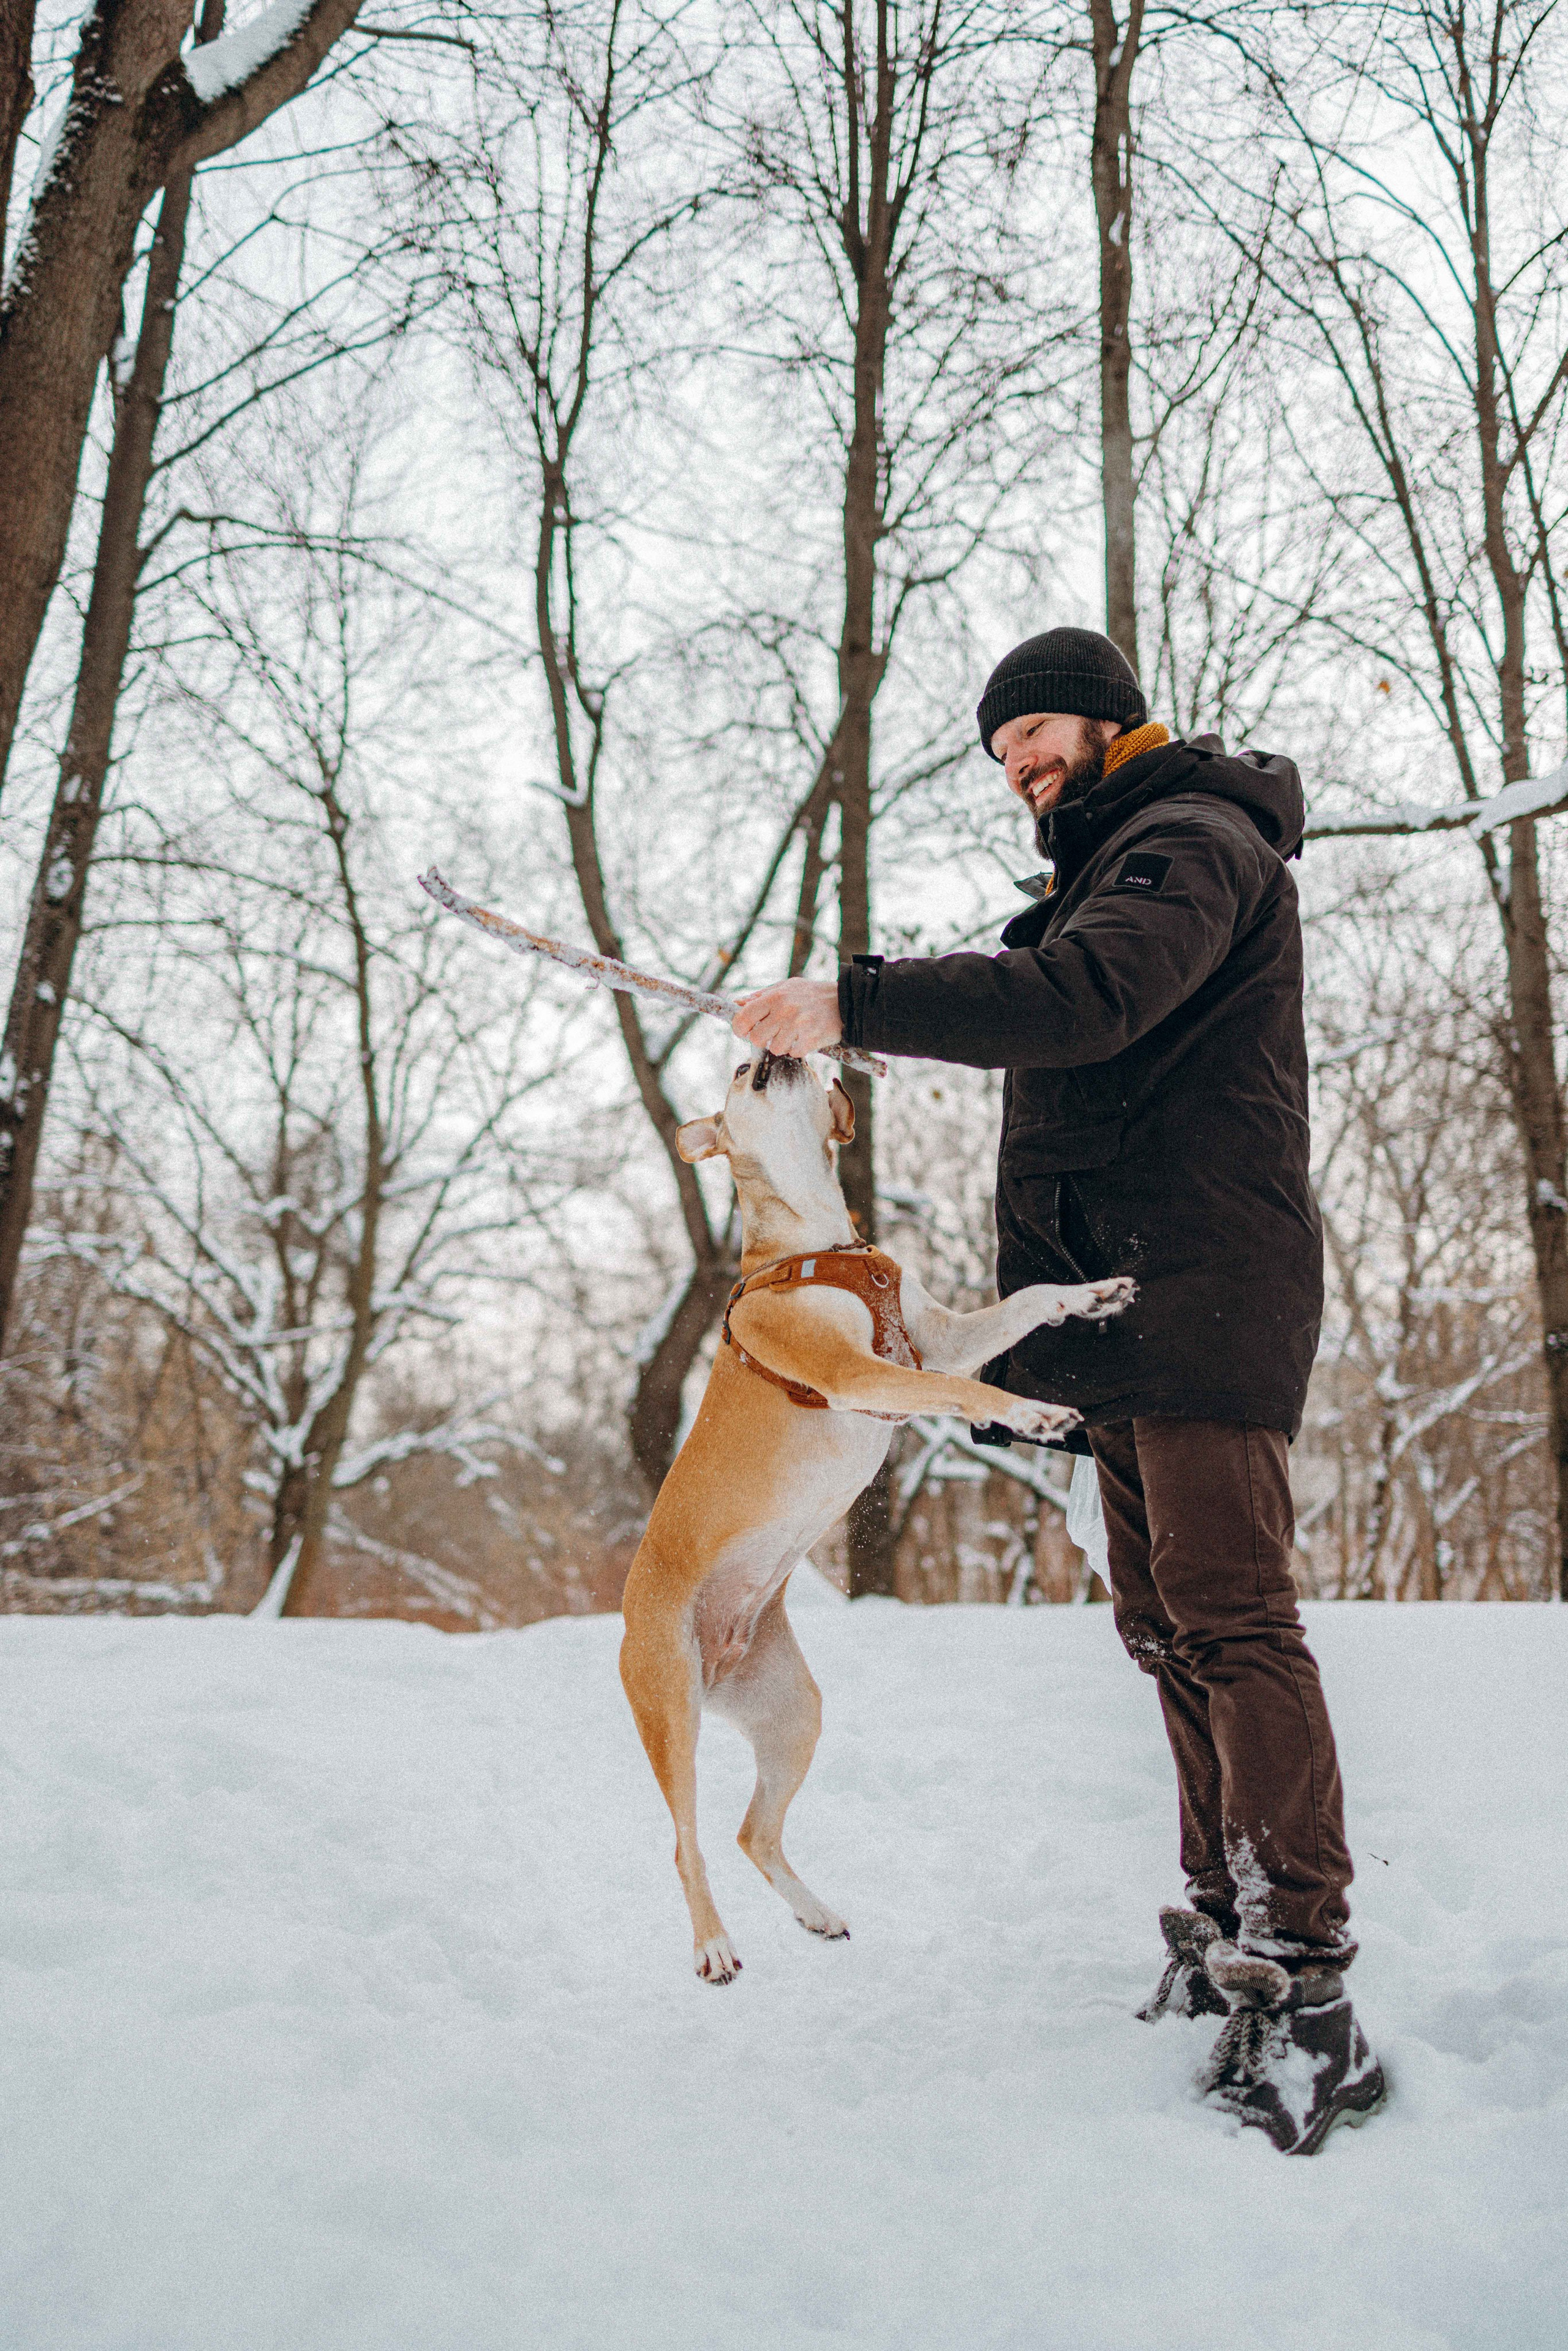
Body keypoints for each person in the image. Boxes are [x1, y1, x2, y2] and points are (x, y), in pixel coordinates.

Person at [733, 624, 1385, 2154]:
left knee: (1230, 1614)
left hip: (1199, 1283)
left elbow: (1084, 1000)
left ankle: (1307, 1978)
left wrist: (856, 997)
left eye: (1034, 732)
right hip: (1119, 1303)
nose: (1019, 766)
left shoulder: (1187, 838)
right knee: (1161, 1624)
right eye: (1001, 752)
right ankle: (1225, 1917)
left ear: (1105, 719)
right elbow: (1072, 1013)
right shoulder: (1109, 865)